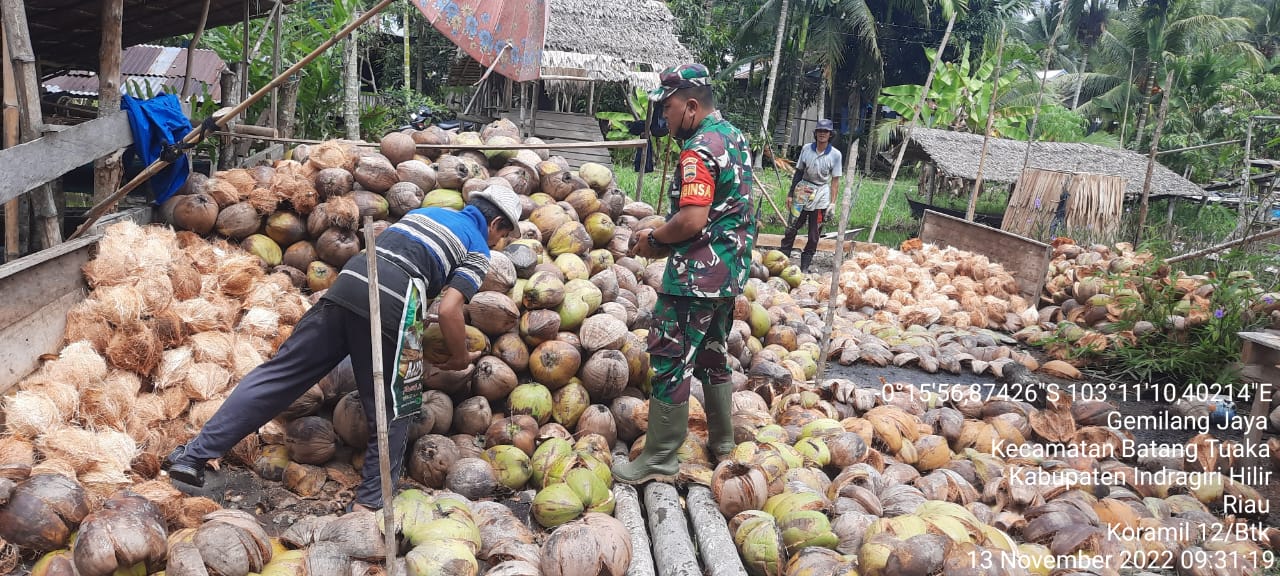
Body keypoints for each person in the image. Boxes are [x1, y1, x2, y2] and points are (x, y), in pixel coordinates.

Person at [163, 186, 523, 510]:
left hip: (350, 280)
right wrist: (459, 358)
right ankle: (370, 502)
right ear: (495, 224)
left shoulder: (425, 213)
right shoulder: (478, 249)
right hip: (397, 303)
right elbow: (449, 309)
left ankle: (192, 457)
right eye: (502, 236)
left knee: (279, 376)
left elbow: (397, 258)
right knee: (397, 406)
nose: (497, 243)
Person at [614, 63, 756, 484]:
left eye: (669, 108)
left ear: (691, 106)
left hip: (697, 274)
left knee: (670, 360)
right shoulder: (733, 137)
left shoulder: (698, 150)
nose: (665, 118)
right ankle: (723, 444)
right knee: (713, 356)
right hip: (729, 272)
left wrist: (656, 239)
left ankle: (658, 457)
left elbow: (693, 219)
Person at [782, 118, 843, 273]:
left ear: (830, 135)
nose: (822, 134)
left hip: (821, 193)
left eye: (825, 132)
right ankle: (782, 260)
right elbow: (799, 172)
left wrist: (833, 203)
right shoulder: (807, 149)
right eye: (820, 131)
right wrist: (791, 194)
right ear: (816, 133)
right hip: (803, 189)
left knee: (814, 234)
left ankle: (804, 268)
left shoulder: (835, 155)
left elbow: (835, 180)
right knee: (792, 228)